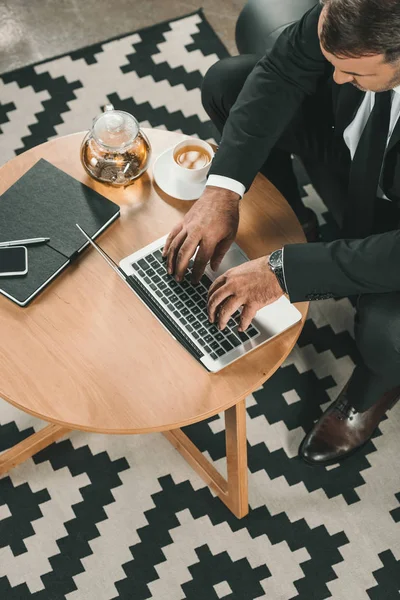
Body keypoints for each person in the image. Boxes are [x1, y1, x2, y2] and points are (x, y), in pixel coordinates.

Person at [163, 0, 400, 465]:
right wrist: (221, 193)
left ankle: (375, 385)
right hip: (355, 149)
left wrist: (284, 272)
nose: (335, 78)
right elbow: (282, 70)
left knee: (387, 330)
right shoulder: (358, 10)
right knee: (229, 83)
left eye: (353, 73)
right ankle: (297, 221)